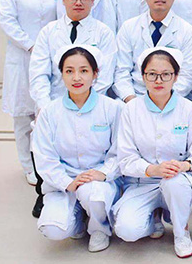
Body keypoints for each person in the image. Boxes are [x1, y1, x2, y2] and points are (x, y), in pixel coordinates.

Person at [114, 47, 192, 258]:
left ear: (176, 76)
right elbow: (126, 160)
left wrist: (184, 166)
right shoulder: (131, 110)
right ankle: (153, 217)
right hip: (142, 182)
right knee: (127, 230)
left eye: (166, 74)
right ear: (143, 76)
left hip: (181, 180)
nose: (158, 80)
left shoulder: (189, 110)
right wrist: (152, 169)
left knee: (174, 183)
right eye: (152, 74)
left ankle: (181, 232)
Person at [33, 45, 122, 252]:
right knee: (53, 230)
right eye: (69, 71)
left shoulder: (113, 108)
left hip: (98, 180)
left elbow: (121, 151)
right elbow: (44, 157)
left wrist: (103, 173)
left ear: (95, 74)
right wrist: (67, 182)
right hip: (64, 181)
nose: (76, 78)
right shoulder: (49, 112)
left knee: (94, 195)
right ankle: (79, 220)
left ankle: (100, 229)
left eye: (83, 70)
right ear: (61, 74)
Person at [0, 0, 60, 184]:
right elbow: (7, 20)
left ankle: (48, 162)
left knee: (49, 113)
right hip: (23, 57)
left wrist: (51, 49)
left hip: (53, 59)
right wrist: (32, 45)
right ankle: (28, 166)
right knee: (23, 116)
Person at [29, 0, 116, 112]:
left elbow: (105, 77)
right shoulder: (48, 31)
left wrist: (84, 104)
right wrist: (46, 107)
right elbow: (39, 74)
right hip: (54, 104)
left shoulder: (104, 33)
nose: (78, 3)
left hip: (92, 107)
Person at [113, 0, 192, 103]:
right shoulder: (129, 28)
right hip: (135, 97)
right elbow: (121, 71)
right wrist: (132, 100)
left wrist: (163, 100)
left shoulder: (187, 31)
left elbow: (187, 76)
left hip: (174, 99)